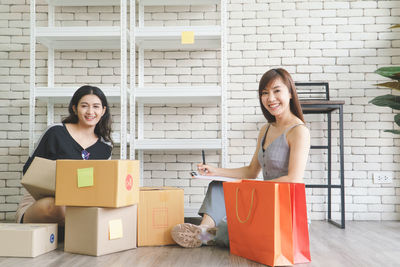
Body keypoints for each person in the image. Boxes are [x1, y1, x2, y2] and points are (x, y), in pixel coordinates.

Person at [171, 68, 310, 248]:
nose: (271, 98)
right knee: (218, 185)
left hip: (283, 207)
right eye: (265, 93)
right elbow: (252, 171)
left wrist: (252, 189)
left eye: (277, 91)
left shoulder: (299, 131)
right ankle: (202, 230)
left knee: (240, 230)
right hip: (263, 198)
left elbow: (294, 179)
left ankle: (210, 236)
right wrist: (214, 170)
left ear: (290, 93)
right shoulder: (266, 130)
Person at [16, 85, 113, 226]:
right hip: (43, 202)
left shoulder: (105, 147)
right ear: (74, 108)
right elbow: (28, 170)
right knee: (59, 207)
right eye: (84, 106)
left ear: (103, 111)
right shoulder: (56, 132)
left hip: (80, 205)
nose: (90, 111)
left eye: (96, 107)